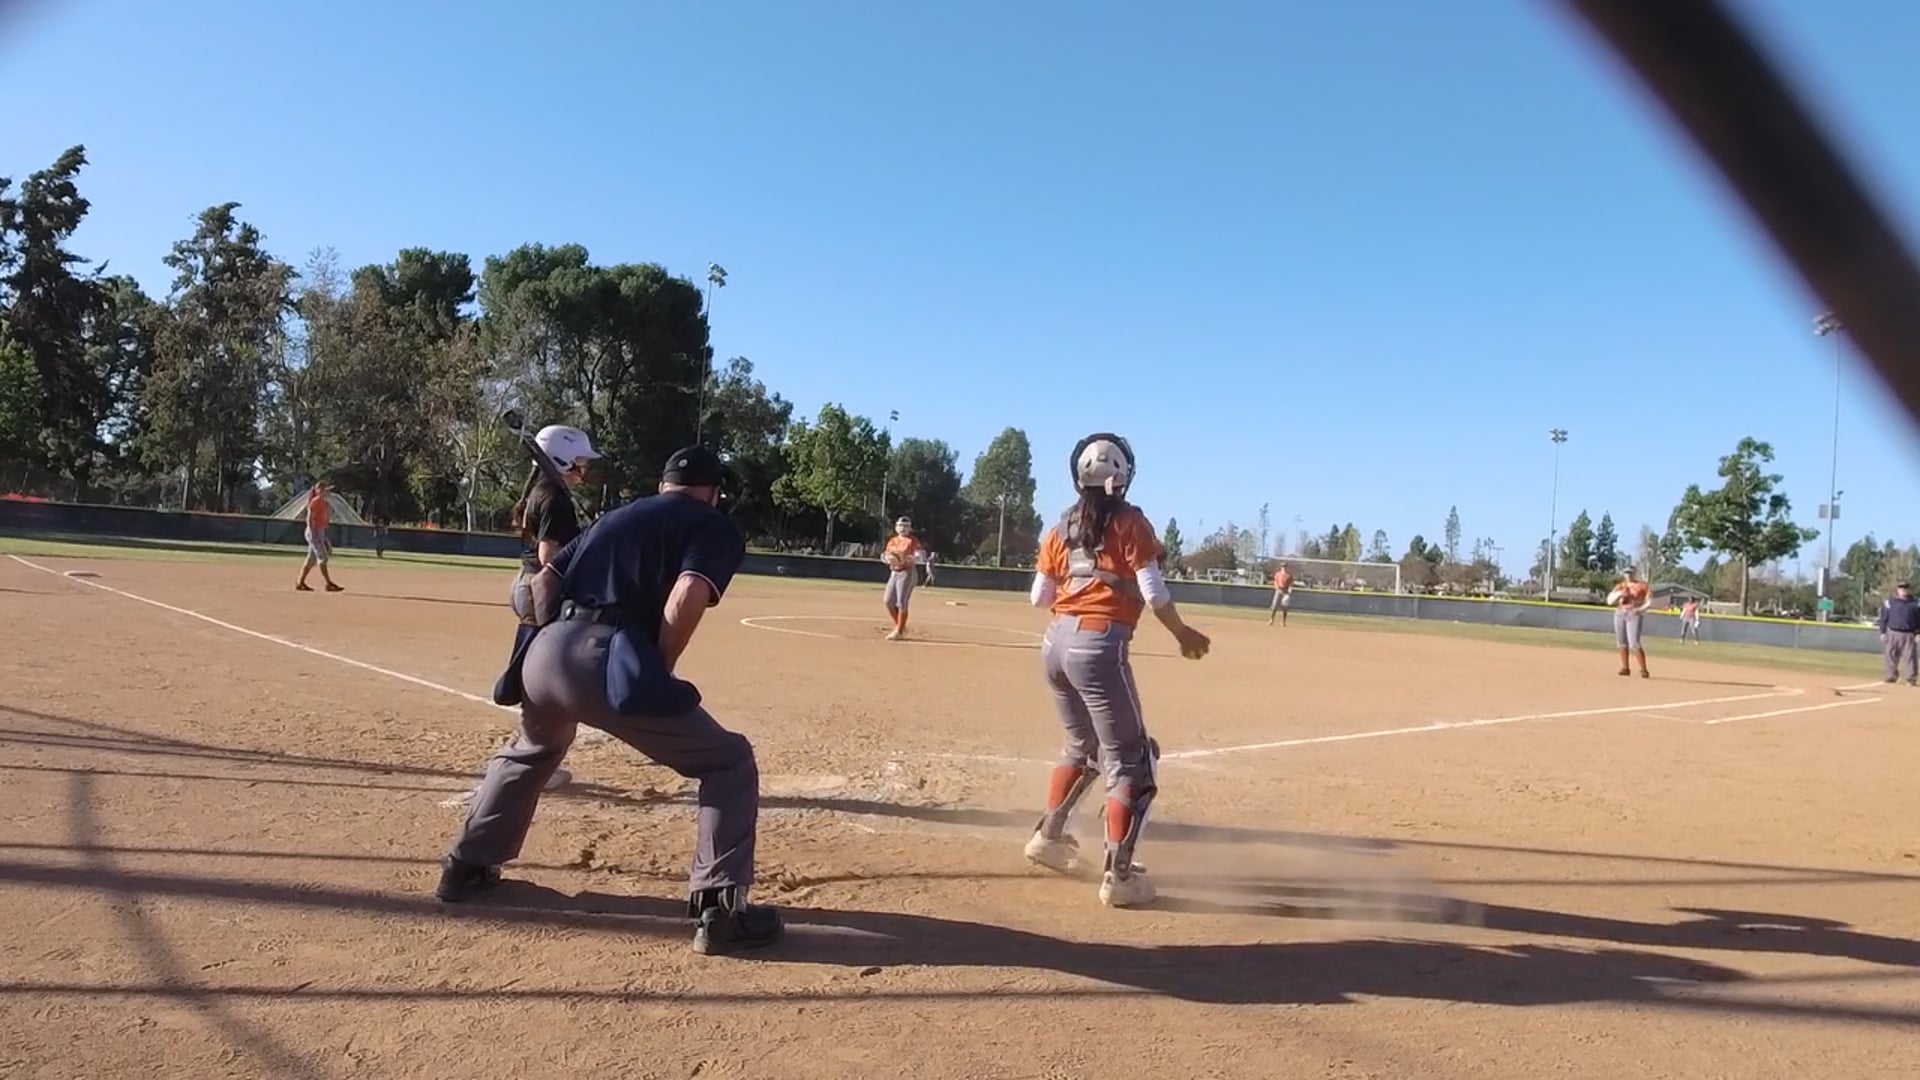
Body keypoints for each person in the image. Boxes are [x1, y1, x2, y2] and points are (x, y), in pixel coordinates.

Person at [437, 446, 782, 956]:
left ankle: (465, 867)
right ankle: (722, 911)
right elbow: (687, 593)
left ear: (663, 484)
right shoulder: (713, 524)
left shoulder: (615, 515)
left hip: (546, 649)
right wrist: (657, 667)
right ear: (713, 492)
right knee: (728, 760)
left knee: (534, 748)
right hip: (609, 656)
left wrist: (546, 645)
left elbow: (543, 581)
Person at [1022, 433, 1210, 908]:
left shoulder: (1061, 526)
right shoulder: (1130, 522)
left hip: (1054, 644)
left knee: (1082, 746)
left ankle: (1048, 836)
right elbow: (1154, 592)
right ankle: (1119, 877)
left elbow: (1039, 597)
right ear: (1124, 476)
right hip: (1098, 645)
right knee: (1132, 760)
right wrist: (1182, 633)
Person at [880, 516, 924, 640]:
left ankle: (899, 631)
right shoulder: (892, 541)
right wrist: (887, 559)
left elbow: (920, 555)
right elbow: (885, 555)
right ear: (896, 527)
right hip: (894, 573)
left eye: (906, 526)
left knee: (901, 602)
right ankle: (900, 626)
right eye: (900, 525)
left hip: (907, 573)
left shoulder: (912, 541)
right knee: (888, 601)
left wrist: (911, 558)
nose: (903, 528)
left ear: (910, 528)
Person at [295, 482, 344, 593]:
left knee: (311, 559)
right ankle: (328, 583)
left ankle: (300, 582)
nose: (327, 492)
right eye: (324, 490)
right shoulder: (316, 501)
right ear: (318, 491)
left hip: (319, 531)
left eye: (327, 490)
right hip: (314, 531)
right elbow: (309, 518)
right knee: (323, 558)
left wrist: (324, 538)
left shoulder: (323, 502)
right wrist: (313, 533)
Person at [1607, 566, 1653, 677]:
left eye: (1630, 572)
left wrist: (1640, 609)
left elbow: (1649, 601)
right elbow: (1609, 601)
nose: (1628, 575)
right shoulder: (1620, 586)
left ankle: (1643, 669)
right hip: (1620, 613)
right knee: (1621, 642)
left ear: (1635, 573)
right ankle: (1625, 667)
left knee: (1634, 643)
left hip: (1633, 614)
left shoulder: (1642, 586)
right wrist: (1619, 594)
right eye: (1626, 573)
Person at [1875, 581, 1919, 685]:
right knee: (1890, 655)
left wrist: (1918, 633)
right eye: (1901, 588)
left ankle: (1910, 679)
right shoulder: (1889, 603)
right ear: (1897, 590)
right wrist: (1883, 632)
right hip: (1892, 632)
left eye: (1905, 588)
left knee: (1909, 657)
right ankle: (1891, 676)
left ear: (1909, 589)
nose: (1903, 590)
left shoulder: (1916, 604)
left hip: (1909, 634)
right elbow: (1883, 618)